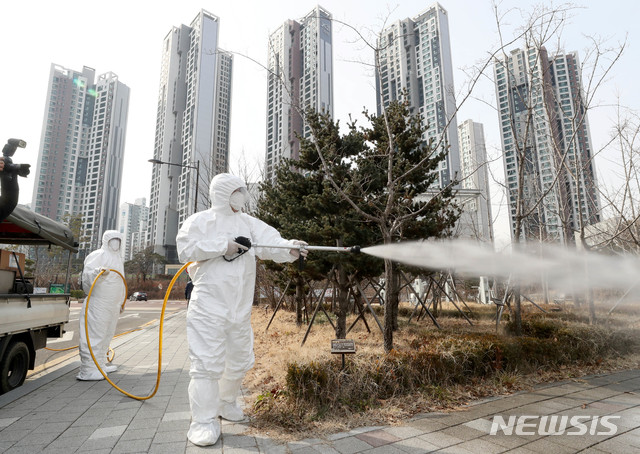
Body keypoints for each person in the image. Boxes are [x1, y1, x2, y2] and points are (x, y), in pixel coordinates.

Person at [176, 173, 308, 447]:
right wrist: (222, 246)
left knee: (239, 358)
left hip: (239, 306)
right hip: (208, 305)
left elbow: (272, 242)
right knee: (207, 363)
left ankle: (225, 402)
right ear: (223, 193)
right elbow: (185, 250)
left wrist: (291, 249)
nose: (242, 196)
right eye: (237, 191)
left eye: (243, 191)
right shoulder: (200, 221)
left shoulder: (248, 223)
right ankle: (203, 420)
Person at [76, 230, 126, 381]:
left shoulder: (118, 259)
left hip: (113, 304)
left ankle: (100, 364)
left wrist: (122, 301)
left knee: (107, 334)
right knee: (94, 334)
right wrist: (97, 272)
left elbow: (121, 281)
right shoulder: (98, 255)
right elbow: (87, 277)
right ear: (106, 240)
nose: (116, 243)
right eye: (113, 240)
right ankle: (88, 369)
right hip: (99, 303)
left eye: (118, 240)